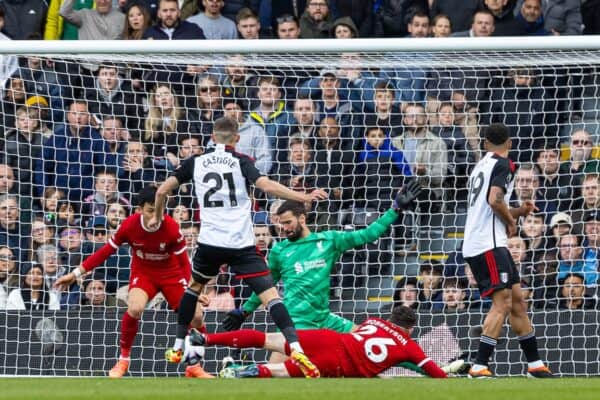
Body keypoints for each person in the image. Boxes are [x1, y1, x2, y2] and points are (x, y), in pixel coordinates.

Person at [151, 116, 328, 378]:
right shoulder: (242, 161)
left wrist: (157, 216)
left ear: (212, 137)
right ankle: (296, 346)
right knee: (271, 297)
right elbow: (266, 185)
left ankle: (178, 345)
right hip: (241, 244)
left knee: (194, 288)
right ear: (236, 138)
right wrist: (304, 196)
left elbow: (161, 191)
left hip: (210, 242)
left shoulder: (195, 162)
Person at [223, 181, 421, 336]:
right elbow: (266, 286)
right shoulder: (279, 251)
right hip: (294, 322)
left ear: (302, 219)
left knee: (364, 338)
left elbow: (368, 234)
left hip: (324, 319)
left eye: (288, 222)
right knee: (276, 373)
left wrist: (395, 209)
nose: (284, 228)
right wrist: (245, 311)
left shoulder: (329, 241)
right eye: (281, 224)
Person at [54, 186, 211, 379]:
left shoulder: (171, 227)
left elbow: (184, 263)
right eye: (151, 210)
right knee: (135, 308)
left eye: (159, 210)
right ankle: (123, 360)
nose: (156, 216)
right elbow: (105, 252)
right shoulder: (129, 226)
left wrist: (192, 290)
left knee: (196, 316)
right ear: (139, 210)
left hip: (171, 274)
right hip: (144, 273)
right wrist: (76, 273)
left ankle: (194, 366)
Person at [462, 123, 554, 378]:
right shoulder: (505, 165)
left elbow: (490, 208)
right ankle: (479, 366)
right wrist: (513, 222)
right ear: (510, 143)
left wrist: (520, 212)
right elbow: (495, 200)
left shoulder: (480, 166)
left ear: (485, 143)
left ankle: (535, 364)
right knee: (502, 303)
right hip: (487, 244)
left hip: (482, 241)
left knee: (517, 302)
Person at [188, 305, 448, 378]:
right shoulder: (408, 345)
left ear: (390, 318)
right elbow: (433, 372)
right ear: (410, 330)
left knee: (267, 339)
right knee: (276, 371)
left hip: (325, 338)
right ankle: (242, 372)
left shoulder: (371, 321)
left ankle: (207, 338)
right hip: (337, 363)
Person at [60, 0, 125, 39]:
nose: (102, 1)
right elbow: (64, 12)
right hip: (86, 61)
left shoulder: (123, 18)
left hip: (113, 61)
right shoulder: (84, 15)